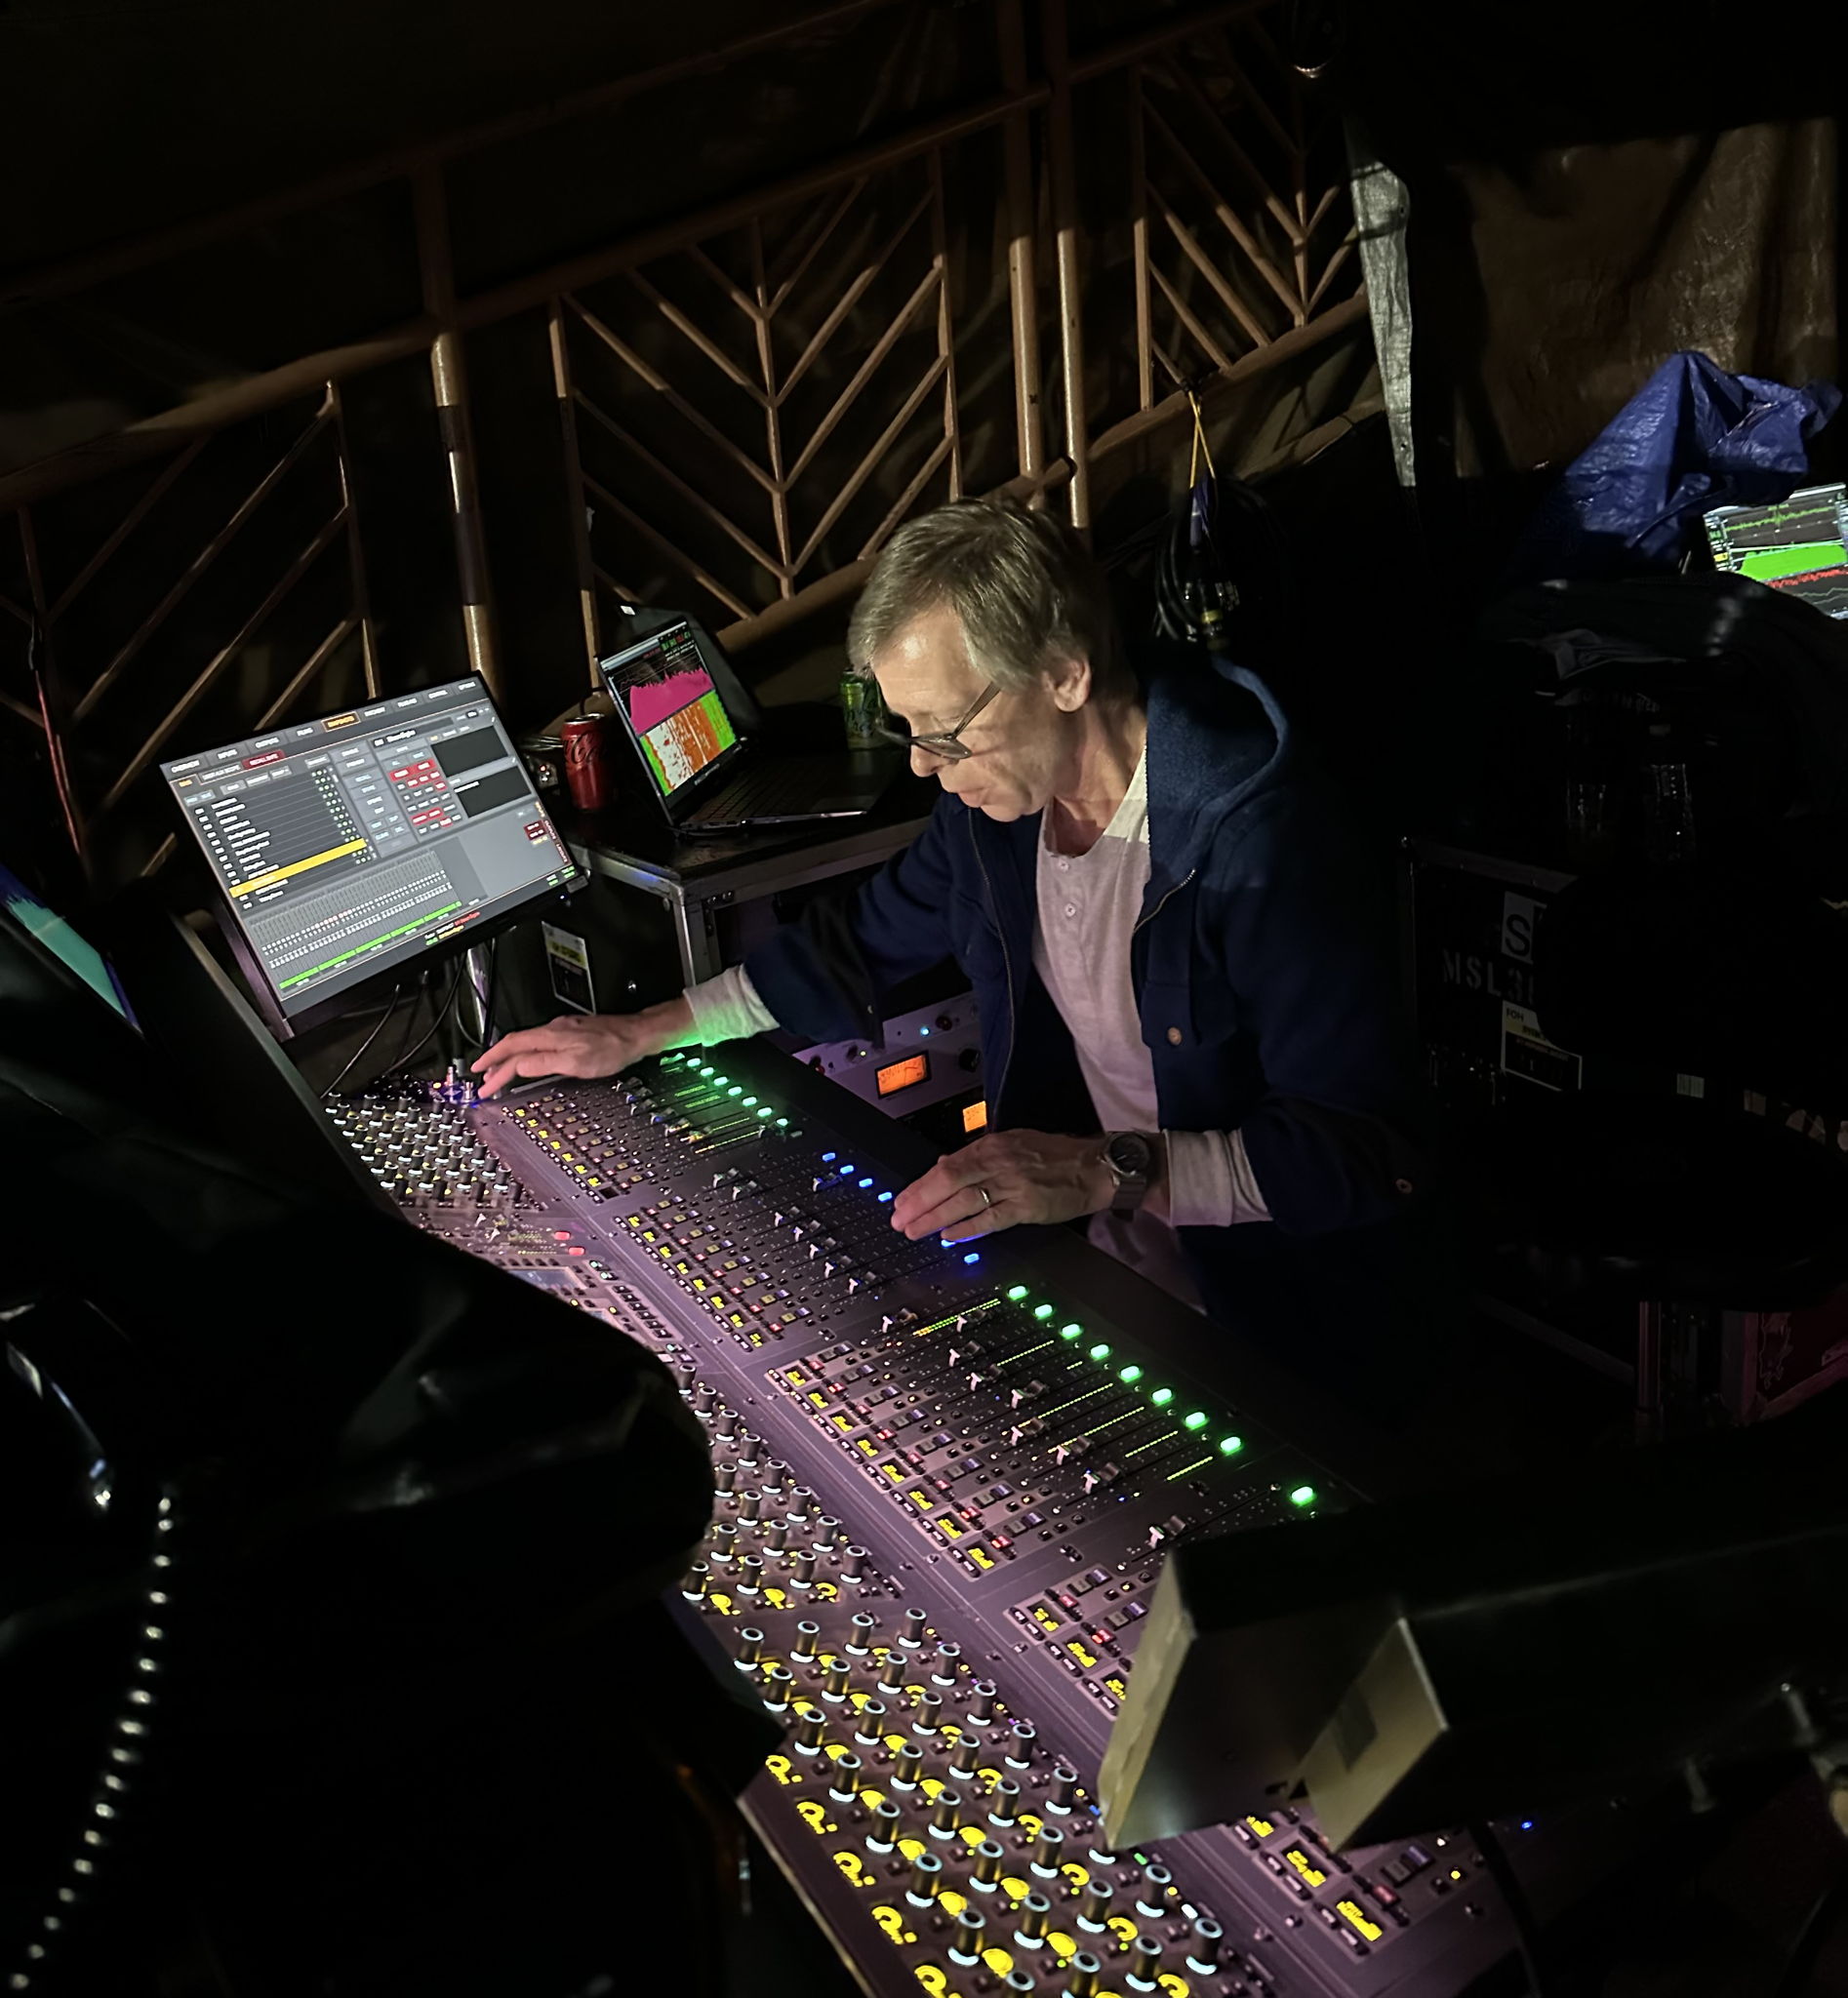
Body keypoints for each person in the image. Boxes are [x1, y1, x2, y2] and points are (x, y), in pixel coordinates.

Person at [475, 499, 1434, 1385]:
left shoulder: (1258, 837)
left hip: (1275, 1319)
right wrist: (646, 1028)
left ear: (1065, 671)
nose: (928, 770)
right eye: (908, 732)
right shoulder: (997, 818)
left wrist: (1105, 1167)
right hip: (1102, 1267)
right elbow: (855, 941)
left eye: (948, 732)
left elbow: (1361, 1152)